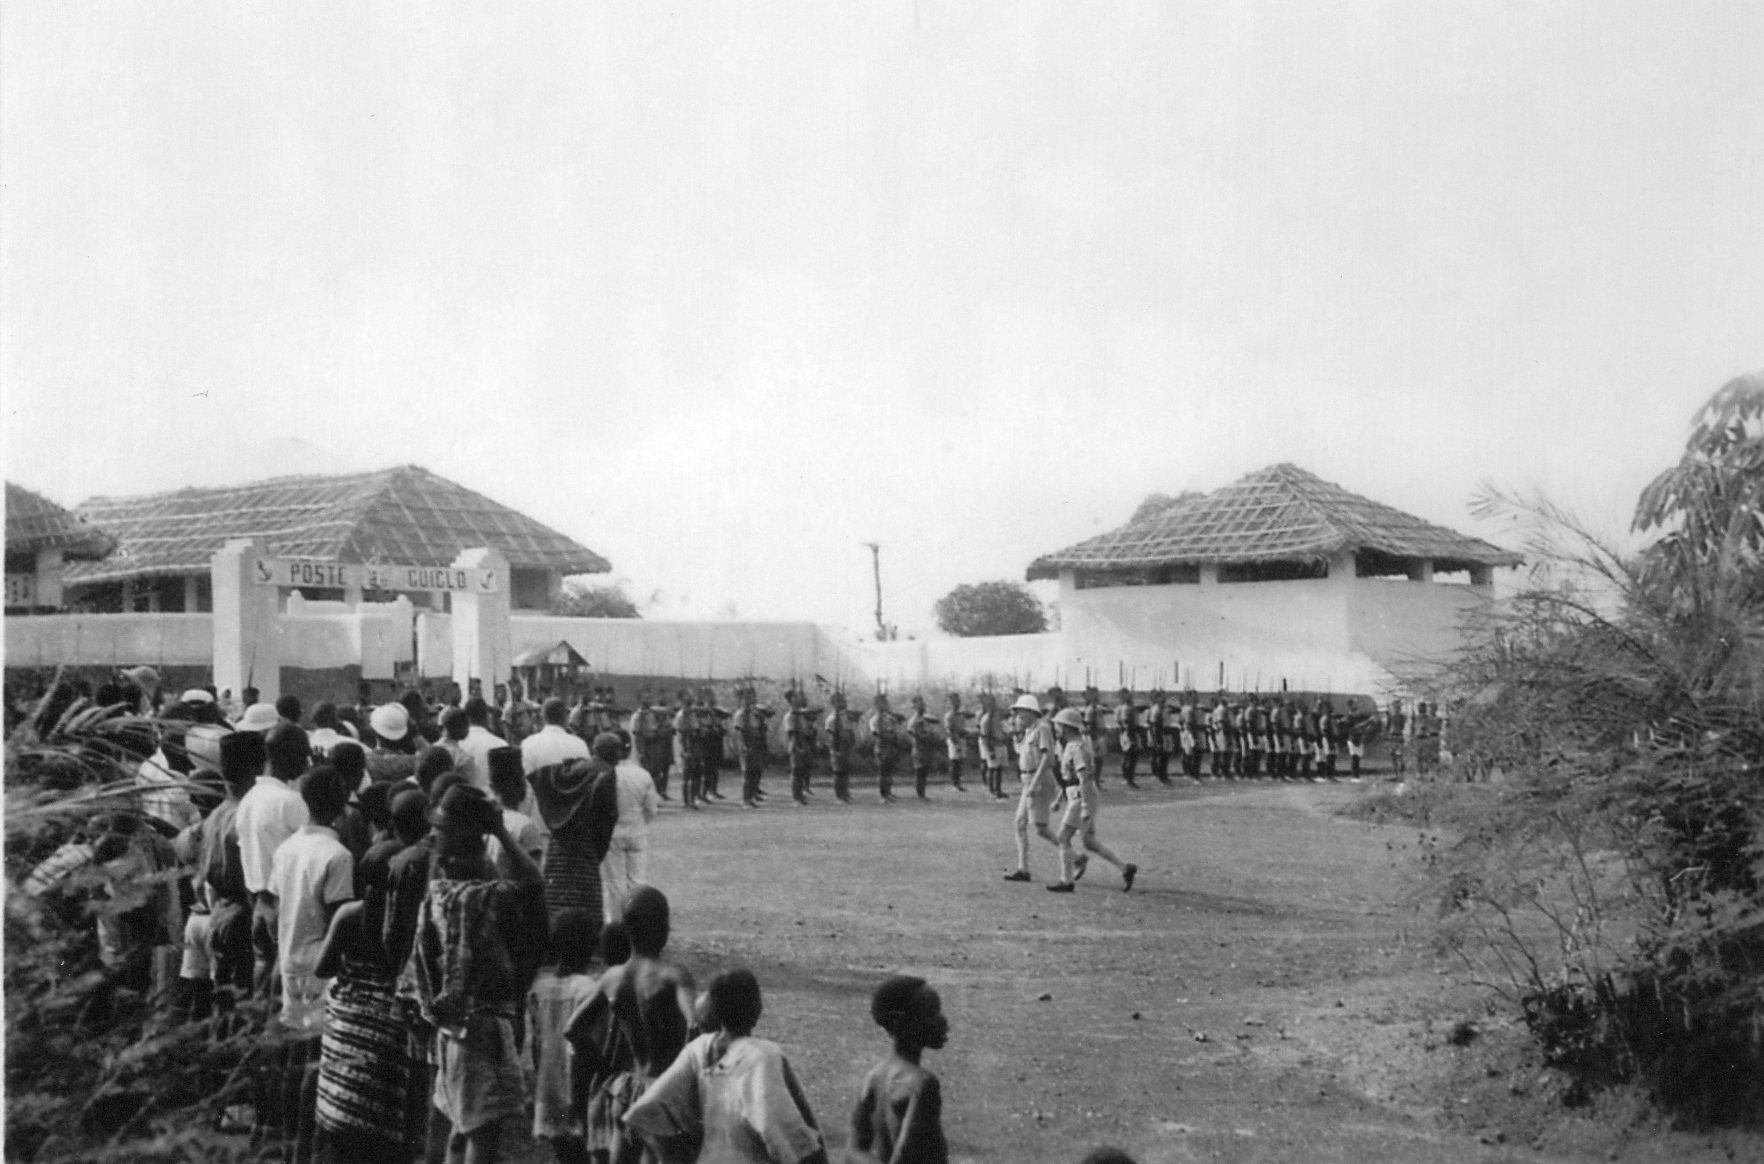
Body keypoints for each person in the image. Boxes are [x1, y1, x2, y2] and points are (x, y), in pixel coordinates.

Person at [400, 784, 547, 1164]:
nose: (435, 834)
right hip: (481, 1028)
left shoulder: (440, 891)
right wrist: (500, 833)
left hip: (450, 1026)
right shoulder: (484, 898)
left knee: (451, 1124)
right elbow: (534, 883)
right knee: (482, 1133)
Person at [623, 968, 828, 1164]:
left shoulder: (698, 1049)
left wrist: (675, 1157)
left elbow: (647, 1111)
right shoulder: (762, 1055)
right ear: (755, 1008)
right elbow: (778, 1126)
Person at [261, 764, 355, 1164]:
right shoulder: (337, 855)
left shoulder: (287, 848)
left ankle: (287, 1145)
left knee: (297, 1060)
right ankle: (303, 1150)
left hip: (290, 959)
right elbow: (339, 920)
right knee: (315, 1065)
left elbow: (275, 905)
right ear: (341, 803)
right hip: (322, 966)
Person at [566, 886, 698, 1164]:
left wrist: (601, 1065)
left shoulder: (613, 978)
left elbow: (573, 1029)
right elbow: (694, 1025)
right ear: (663, 928)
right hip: (663, 1090)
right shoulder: (674, 976)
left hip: (626, 1088)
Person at [313, 846, 409, 1164]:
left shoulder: (350, 914)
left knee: (341, 1117)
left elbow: (322, 968)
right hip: (388, 1027)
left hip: (345, 1024)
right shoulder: (407, 916)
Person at [237, 722, 313, 994]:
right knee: (285, 973)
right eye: (303, 755)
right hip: (286, 903)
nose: (306, 763)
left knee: (263, 965)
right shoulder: (290, 802)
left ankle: (258, 1015)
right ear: (287, 756)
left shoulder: (248, 800)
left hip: (258, 901)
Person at [847, 975, 950, 1164]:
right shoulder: (922, 1083)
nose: (943, 1021)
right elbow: (907, 1155)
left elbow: (854, 1150)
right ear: (900, 1022)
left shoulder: (875, 1076)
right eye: (931, 1014)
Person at [527, 909, 602, 1164]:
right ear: (591, 947)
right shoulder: (590, 989)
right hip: (579, 1087)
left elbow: (536, 1042)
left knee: (564, 1153)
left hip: (549, 1086)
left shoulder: (539, 987)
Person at [528, 735, 620, 938]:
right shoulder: (606, 775)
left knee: (556, 900)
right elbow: (606, 822)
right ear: (614, 754)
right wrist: (595, 853)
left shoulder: (571, 769)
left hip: (557, 849)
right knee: (585, 906)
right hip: (585, 852)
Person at [1044, 708, 1137, 894]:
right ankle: (1125, 868)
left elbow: (1083, 778)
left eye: (1058, 725)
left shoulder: (1076, 748)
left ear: (1066, 727)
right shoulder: (1074, 745)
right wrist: (1059, 798)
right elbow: (1071, 779)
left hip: (1081, 798)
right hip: (1080, 795)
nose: (1056, 729)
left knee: (1063, 837)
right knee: (1089, 841)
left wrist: (1085, 807)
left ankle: (1066, 881)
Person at [1003, 694, 1062, 883]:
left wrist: (1036, 781)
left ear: (1030, 712)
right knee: (1020, 823)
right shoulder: (1030, 730)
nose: (1018, 716)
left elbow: (1047, 757)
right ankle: (1023, 869)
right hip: (1029, 779)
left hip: (1039, 779)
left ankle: (1074, 857)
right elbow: (1023, 753)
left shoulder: (1042, 728)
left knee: (1041, 828)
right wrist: (1016, 735)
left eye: (1020, 712)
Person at [602, 734, 659, 923]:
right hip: (636, 831)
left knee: (614, 883)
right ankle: (638, 922)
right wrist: (640, 822)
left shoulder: (607, 775)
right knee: (637, 880)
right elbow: (651, 809)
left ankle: (616, 923)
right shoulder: (642, 775)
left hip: (612, 833)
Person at [630, 690, 673, 802]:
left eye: (649, 698)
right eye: (645, 698)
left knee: (656, 771)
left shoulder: (654, 713)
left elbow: (668, 711)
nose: (648, 700)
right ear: (640, 700)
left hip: (655, 744)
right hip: (645, 745)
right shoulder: (637, 716)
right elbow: (637, 735)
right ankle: (645, 798)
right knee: (647, 772)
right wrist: (640, 752)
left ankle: (657, 795)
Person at [732, 686, 771, 809]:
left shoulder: (755, 713)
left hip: (756, 744)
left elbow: (762, 728)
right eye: (748, 697)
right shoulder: (741, 714)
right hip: (747, 745)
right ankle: (746, 799)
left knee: (756, 771)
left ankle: (753, 794)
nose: (752, 699)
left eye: (753, 696)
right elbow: (740, 732)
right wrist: (744, 746)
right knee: (747, 772)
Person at [781, 689, 819, 805]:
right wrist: (799, 746)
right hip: (797, 744)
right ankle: (796, 796)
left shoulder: (802, 715)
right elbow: (792, 733)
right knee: (796, 771)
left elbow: (808, 728)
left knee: (803, 770)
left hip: (805, 743)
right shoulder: (790, 716)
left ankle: (801, 793)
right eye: (796, 697)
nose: (800, 699)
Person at [867, 694, 902, 804]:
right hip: (882, 747)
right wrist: (886, 735)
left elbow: (894, 731)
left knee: (889, 772)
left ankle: (888, 792)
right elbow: (876, 734)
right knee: (883, 772)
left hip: (891, 747)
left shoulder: (889, 719)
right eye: (882, 703)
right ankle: (883, 794)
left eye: (886, 703)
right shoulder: (874, 720)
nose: (885, 705)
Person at [672, 691, 703, 810]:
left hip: (696, 746)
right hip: (687, 747)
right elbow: (682, 735)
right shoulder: (681, 716)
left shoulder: (693, 714)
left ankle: (693, 800)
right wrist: (685, 750)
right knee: (687, 776)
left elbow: (697, 730)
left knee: (696, 775)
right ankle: (686, 802)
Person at [824, 691, 857, 804]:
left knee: (846, 770)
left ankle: (845, 792)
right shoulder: (832, 718)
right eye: (840, 700)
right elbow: (831, 735)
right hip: (838, 746)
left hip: (847, 746)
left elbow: (851, 731)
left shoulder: (847, 716)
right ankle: (839, 795)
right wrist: (837, 748)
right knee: (838, 771)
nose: (844, 702)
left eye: (843, 700)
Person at [974, 692, 1007, 800]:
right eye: (991, 704)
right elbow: (985, 736)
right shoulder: (986, 719)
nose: (994, 706)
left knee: (999, 768)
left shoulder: (996, 717)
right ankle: (991, 790)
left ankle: (998, 789)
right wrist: (990, 750)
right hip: (993, 745)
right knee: (992, 768)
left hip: (1000, 744)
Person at [904, 694, 937, 799]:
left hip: (926, 748)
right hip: (919, 748)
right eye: (920, 704)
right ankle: (920, 794)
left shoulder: (925, 719)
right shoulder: (914, 720)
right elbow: (912, 733)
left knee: (924, 771)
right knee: (920, 771)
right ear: (915, 706)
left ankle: (922, 793)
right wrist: (925, 736)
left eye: (923, 703)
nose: (923, 706)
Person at [939, 692, 970, 793]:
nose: (957, 703)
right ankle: (955, 783)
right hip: (954, 739)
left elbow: (962, 726)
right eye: (954, 701)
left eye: (958, 700)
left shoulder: (961, 715)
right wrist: (955, 741)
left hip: (961, 738)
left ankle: (958, 782)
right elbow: (949, 730)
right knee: (954, 761)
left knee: (959, 761)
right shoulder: (949, 715)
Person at [1112, 689, 1142, 789]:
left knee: (1127, 756)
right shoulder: (1127, 708)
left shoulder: (1120, 708)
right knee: (1131, 756)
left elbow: (1119, 722)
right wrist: (1131, 736)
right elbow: (1126, 722)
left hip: (1125, 733)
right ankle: (1129, 779)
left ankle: (1127, 777)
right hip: (1129, 733)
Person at [1079, 688, 1108, 788]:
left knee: (1099, 760)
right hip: (1094, 737)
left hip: (1099, 736)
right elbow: (1089, 725)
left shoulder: (1097, 709)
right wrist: (1094, 739)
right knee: (1096, 760)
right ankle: (1094, 781)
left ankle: (1096, 780)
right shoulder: (1090, 710)